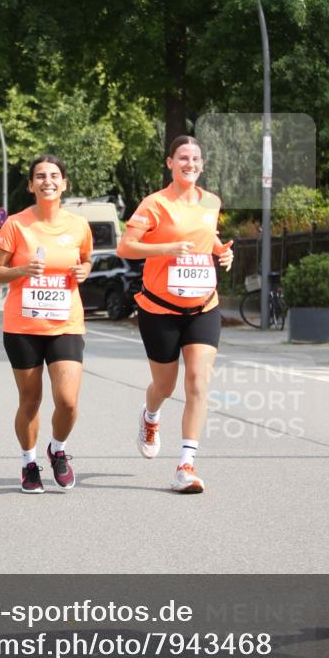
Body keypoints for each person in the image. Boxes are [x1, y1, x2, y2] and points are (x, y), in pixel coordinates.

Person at [117, 135, 234, 494]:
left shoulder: (211, 202)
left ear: (202, 163)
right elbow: (126, 245)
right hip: (159, 308)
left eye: (196, 158)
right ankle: (150, 416)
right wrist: (167, 248)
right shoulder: (155, 204)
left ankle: (186, 465)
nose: (190, 163)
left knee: (198, 381)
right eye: (183, 157)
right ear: (170, 163)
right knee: (165, 386)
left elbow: (207, 236)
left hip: (203, 306)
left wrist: (222, 252)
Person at [0, 155, 93, 494]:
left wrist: (85, 270)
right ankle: (28, 463)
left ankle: (58, 449)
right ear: (31, 185)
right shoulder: (16, 225)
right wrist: (21, 271)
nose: (48, 181)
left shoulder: (78, 225)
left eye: (54, 176)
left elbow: (87, 259)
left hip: (65, 323)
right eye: (40, 176)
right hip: (23, 325)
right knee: (30, 400)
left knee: (68, 401)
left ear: (64, 184)